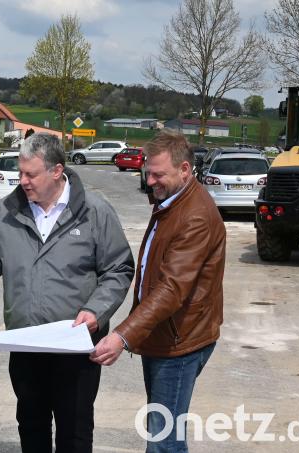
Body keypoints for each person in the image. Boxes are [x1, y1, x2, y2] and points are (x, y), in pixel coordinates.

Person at [0, 133, 135, 453]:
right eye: (20, 172)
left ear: (56, 171)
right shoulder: (7, 210)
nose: (22, 181)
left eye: (30, 174)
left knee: (74, 432)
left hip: (75, 347)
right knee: (31, 427)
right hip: (25, 346)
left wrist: (96, 310)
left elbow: (118, 269)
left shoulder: (94, 211)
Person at [90, 129, 226, 452]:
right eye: (147, 172)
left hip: (180, 344)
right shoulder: (171, 199)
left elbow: (172, 289)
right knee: (163, 432)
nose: (150, 181)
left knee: (164, 441)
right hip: (163, 336)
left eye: (158, 174)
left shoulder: (195, 216)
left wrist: (122, 335)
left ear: (184, 170)